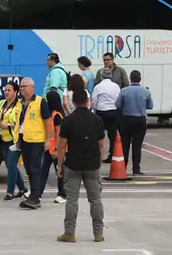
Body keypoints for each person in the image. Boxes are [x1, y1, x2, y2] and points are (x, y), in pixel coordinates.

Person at [55, 89, 106, 243]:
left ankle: (69, 233)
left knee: (72, 200)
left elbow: (62, 146)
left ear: (74, 103)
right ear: (87, 101)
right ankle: (98, 233)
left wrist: (59, 166)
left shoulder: (68, 120)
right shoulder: (96, 120)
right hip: (92, 164)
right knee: (95, 200)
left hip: (73, 165)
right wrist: (99, 162)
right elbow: (101, 145)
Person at [17, 78, 51, 210]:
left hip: (37, 141)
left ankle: (36, 197)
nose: (22, 89)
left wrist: (48, 140)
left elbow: (47, 122)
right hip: (24, 140)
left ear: (32, 87)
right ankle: (33, 194)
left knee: (35, 168)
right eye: (20, 87)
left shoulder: (40, 102)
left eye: (24, 86)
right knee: (29, 169)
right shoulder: (20, 103)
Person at [116, 70, 153, 175]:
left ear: (130, 78)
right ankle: (136, 168)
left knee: (125, 144)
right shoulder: (146, 91)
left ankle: (123, 166)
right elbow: (150, 106)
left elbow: (117, 104)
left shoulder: (124, 91)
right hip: (140, 120)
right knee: (137, 145)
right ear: (140, 79)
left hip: (127, 119)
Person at [0, 82, 27, 200]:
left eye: (9, 90)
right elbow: (0, 116)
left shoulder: (19, 105)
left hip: (15, 140)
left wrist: (8, 125)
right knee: (9, 165)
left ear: (15, 92)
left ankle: (10, 192)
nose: (6, 92)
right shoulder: (1, 103)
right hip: (3, 138)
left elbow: (21, 123)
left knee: (12, 165)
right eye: (5, 90)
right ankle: (23, 189)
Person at [40, 90, 67, 204]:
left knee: (59, 171)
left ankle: (62, 194)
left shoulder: (57, 116)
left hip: (56, 149)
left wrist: (56, 149)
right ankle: (37, 192)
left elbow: (59, 134)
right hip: (49, 149)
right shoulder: (51, 114)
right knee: (43, 170)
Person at [91, 69, 121, 163]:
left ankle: (98, 155)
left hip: (101, 111)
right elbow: (118, 99)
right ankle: (112, 155)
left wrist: (95, 109)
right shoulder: (116, 86)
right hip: (113, 111)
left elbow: (94, 100)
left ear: (101, 76)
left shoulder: (98, 87)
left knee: (99, 135)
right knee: (112, 135)